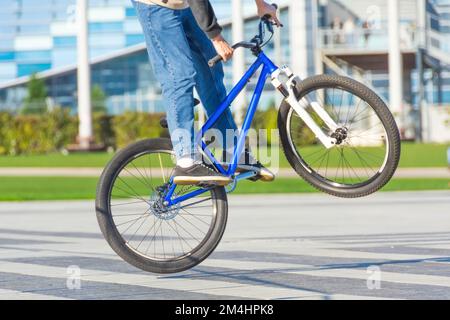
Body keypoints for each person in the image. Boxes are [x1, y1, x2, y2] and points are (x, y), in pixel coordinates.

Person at [132, 0, 280, 186]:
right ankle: (186, 159)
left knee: (211, 70)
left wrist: (261, 5)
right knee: (179, 74)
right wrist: (216, 37)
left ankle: (233, 150)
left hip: (184, 6)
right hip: (156, 7)